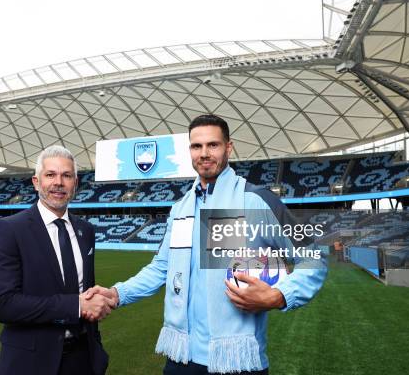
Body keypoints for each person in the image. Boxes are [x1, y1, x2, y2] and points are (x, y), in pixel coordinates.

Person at [85, 115, 327, 374]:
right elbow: (160, 268)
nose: (204, 153)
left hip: (235, 361)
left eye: (213, 145)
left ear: (229, 147)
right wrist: (117, 293)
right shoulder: (180, 209)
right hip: (181, 358)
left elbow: (314, 257)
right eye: (196, 146)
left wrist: (280, 295)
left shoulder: (256, 200)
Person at [0, 146, 113, 375]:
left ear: (75, 183)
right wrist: (77, 305)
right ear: (36, 182)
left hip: (83, 359)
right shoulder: (10, 229)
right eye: (50, 175)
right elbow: (5, 305)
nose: (59, 182)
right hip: (31, 362)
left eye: (66, 175)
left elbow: (84, 292)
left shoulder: (86, 231)